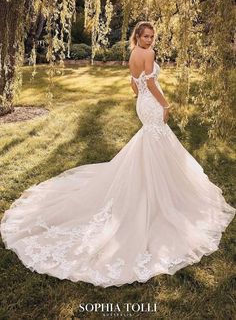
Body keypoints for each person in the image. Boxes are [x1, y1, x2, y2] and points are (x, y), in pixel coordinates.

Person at [1, 21, 235, 288]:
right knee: (158, 141)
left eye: (152, 36)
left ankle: (154, 182)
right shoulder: (148, 54)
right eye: (145, 36)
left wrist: (144, 97)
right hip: (152, 104)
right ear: (138, 36)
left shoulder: (133, 54)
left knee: (153, 143)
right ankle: (162, 193)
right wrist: (165, 104)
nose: (149, 40)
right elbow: (149, 83)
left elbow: (134, 85)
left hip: (141, 104)